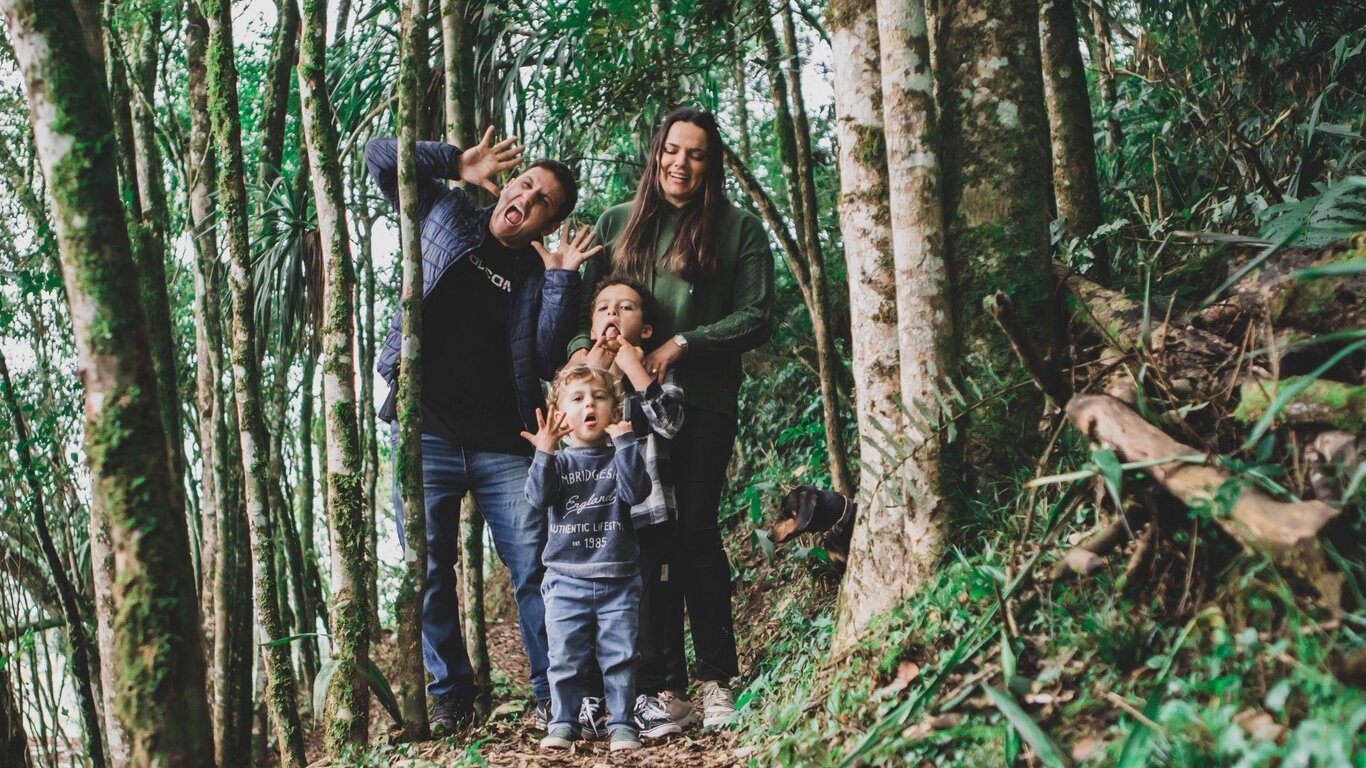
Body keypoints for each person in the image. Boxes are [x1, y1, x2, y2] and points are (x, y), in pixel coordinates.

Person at [365, 127, 601, 734]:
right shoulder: (445, 213)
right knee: (426, 569)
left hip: (505, 444)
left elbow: (549, 356)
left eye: (544, 200)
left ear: (547, 221)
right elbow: (377, 154)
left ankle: (555, 691)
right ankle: (451, 694)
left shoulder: (538, 270)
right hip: (427, 431)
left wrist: (560, 281)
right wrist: (454, 162)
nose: (528, 197)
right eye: (525, 184)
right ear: (505, 188)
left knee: (534, 569)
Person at [569, 108, 775, 728]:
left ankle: (716, 680)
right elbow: (585, 316)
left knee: (697, 534)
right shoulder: (617, 223)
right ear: (656, 152)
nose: (680, 163)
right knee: (641, 545)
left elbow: (759, 315)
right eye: (671, 150)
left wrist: (680, 343)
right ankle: (662, 689)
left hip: (701, 406)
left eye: (696, 154)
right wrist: (590, 357)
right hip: (626, 417)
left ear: (711, 165)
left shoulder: (737, 229)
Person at [577, 276, 688, 740]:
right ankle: (591, 700)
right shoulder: (584, 382)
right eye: (604, 308)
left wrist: (635, 370)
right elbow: (564, 433)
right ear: (591, 324)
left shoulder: (658, 377)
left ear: (644, 329)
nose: (613, 315)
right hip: (593, 520)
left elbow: (670, 424)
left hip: (648, 514)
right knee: (590, 608)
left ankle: (646, 697)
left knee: (646, 608)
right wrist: (596, 375)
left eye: (626, 308)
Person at [522, 366, 651, 752]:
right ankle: (563, 722)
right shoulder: (558, 463)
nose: (589, 405)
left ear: (614, 407)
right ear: (560, 413)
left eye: (598, 397)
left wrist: (627, 443)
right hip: (565, 580)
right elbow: (537, 498)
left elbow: (637, 492)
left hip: (618, 578)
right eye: (576, 399)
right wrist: (544, 452)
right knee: (564, 659)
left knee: (621, 657)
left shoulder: (620, 455)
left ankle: (623, 725)